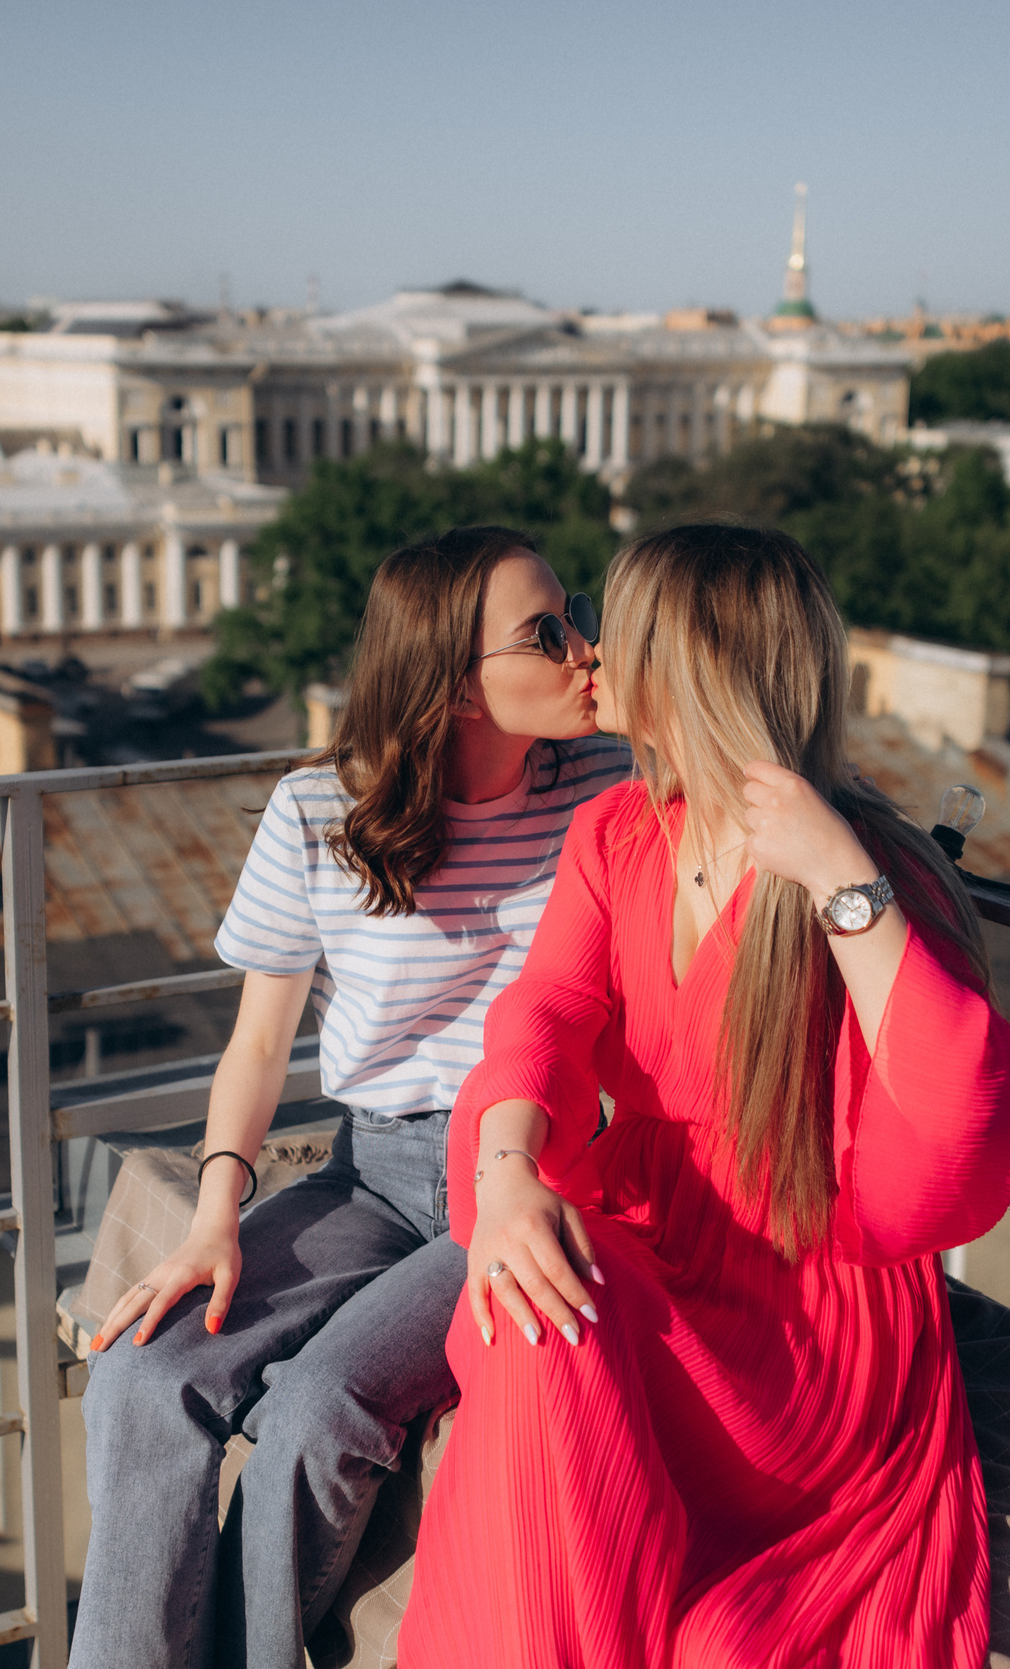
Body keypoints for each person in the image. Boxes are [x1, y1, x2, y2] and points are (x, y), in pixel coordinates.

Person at [399, 523, 1010, 1668]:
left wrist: (841, 878)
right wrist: (506, 1174)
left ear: (688, 665)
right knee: (534, 1313)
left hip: (802, 1316)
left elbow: (955, 1138)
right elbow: (545, 1014)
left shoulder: (866, 871)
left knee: (546, 1343)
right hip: (654, 1238)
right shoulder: (617, 831)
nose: (589, 651)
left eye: (615, 627)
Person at [72, 524, 631, 1669]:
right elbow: (256, 1046)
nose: (585, 649)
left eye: (576, 615)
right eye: (547, 633)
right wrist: (215, 1219)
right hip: (371, 1170)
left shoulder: (607, 780)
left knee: (321, 1406)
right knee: (140, 1373)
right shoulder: (316, 812)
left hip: (530, 1177)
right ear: (452, 680)